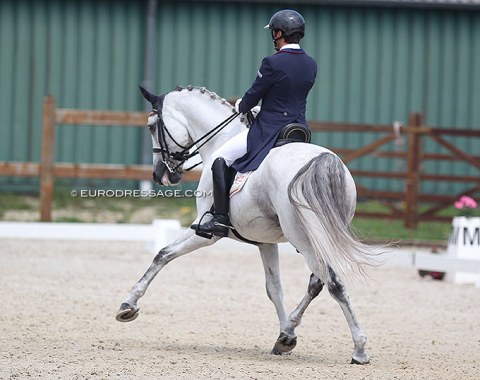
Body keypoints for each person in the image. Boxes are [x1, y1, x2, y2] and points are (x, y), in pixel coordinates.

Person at [192, 9, 317, 238]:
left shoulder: (272, 62)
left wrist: (241, 105)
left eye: (274, 33)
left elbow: (254, 95)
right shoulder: (311, 64)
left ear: (279, 33)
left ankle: (220, 219)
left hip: (268, 130)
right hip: (298, 129)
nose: (274, 37)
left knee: (220, 159)